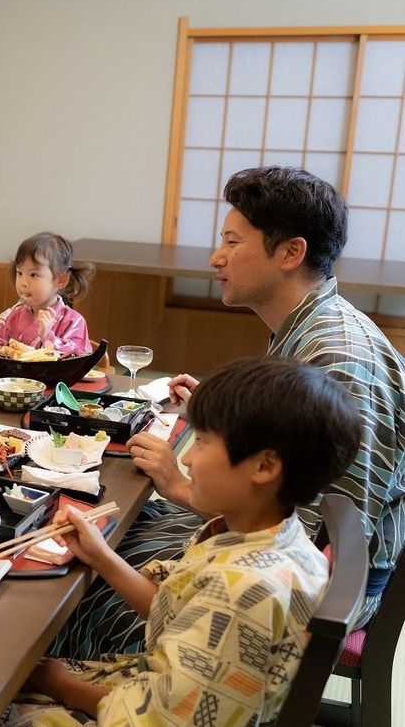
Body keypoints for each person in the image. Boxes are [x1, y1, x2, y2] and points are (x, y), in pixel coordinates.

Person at [53, 165, 405, 660]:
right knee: (124, 527)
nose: (217, 257)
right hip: (283, 548)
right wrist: (225, 417)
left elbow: (317, 539)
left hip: (320, 587)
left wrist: (182, 487)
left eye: (233, 242)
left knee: (85, 589)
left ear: (291, 252)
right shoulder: (310, 325)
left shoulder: (338, 357)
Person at [1, 357, 361, 726]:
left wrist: (62, 685)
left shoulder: (245, 594)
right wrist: (101, 556)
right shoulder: (268, 535)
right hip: (158, 687)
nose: (187, 456)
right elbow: (171, 610)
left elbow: (160, 718)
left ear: (264, 467)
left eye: (202, 441)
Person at [0, 232, 94, 355]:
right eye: (20, 273)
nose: (23, 283)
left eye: (33, 275)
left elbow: (79, 360)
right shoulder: (13, 316)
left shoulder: (74, 321)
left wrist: (48, 337)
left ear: (61, 280)